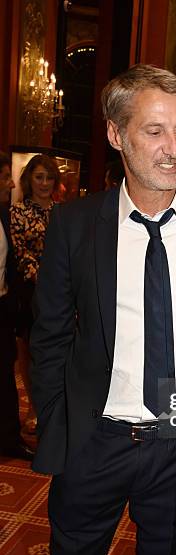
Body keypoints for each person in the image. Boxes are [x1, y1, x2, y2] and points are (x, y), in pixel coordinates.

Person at [29, 64, 176, 555]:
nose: (174, 149)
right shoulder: (74, 226)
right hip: (94, 441)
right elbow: (47, 337)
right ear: (117, 134)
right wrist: (61, 424)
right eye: (155, 131)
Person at [10, 154, 61, 434]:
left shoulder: (63, 211)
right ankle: (32, 406)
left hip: (62, 294)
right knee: (29, 353)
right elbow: (20, 254)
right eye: (38, 177)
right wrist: (43, 276)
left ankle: (52, 406)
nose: (43, 183)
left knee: (56, 353)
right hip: (30, 293)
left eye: (48, 177)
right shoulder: (17, 212)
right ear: (29, 179)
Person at [0, 152, 34, 460]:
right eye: (4, 177)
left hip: (2, 307)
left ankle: (9, 439)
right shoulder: (13, 213)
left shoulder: (3, 215)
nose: (9, 183)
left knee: (5, 376)